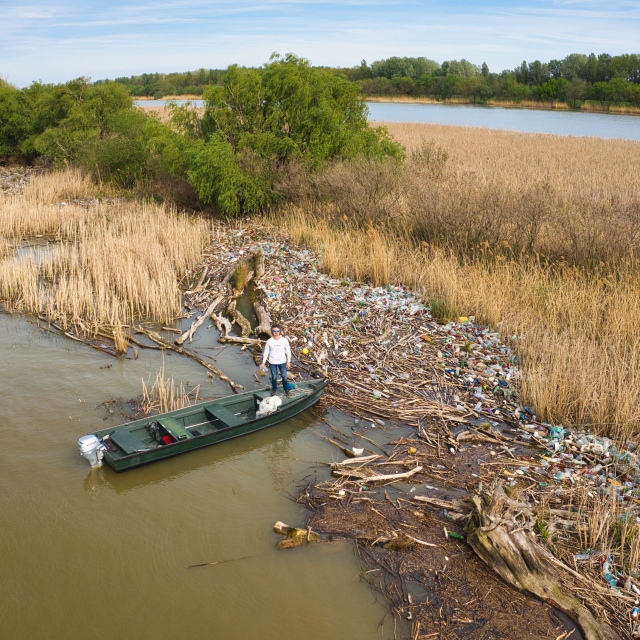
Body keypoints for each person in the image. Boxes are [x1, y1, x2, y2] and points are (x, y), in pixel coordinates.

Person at [260, 324, 292, 396]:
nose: (276, 332)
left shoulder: (284, 340)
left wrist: (288, 361)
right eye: (274, 331)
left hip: (282, 362)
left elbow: (288, 351)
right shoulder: (269, 341)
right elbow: (266, 352)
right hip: (272, 362)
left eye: (277, 331)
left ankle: (286, 390)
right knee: (274, 377)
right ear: (272, 332)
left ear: (280, 331)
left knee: (284, 376)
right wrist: (263, 362)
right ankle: (274, 390)